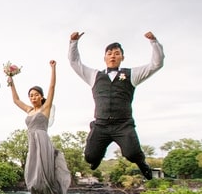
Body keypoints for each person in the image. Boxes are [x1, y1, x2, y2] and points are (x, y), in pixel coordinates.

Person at [68, 31, 165, 179]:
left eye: (116, 53)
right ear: (105, 57)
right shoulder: (94, 75)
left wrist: (154, 42)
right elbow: (75, 63)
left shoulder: (132, 74)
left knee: (132, 153)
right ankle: (97, 157)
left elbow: (156, 64)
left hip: (123, 125)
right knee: (90, 158)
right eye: (110, 53)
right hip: (101, 124)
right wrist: (73, 43)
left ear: (122, 57)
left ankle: (142, 164)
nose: (113, 56)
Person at [8, 60, 71, 194]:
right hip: (32, 145)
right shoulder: (29, 110)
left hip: (43, 142)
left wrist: (53, 68)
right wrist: (11, 79)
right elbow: (15, 100)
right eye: (31, 95)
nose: (33, 97)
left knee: (47, 179)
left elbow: (52, 88)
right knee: (31, 180)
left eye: (36, 94)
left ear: (41, 96)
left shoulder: (46, 108)